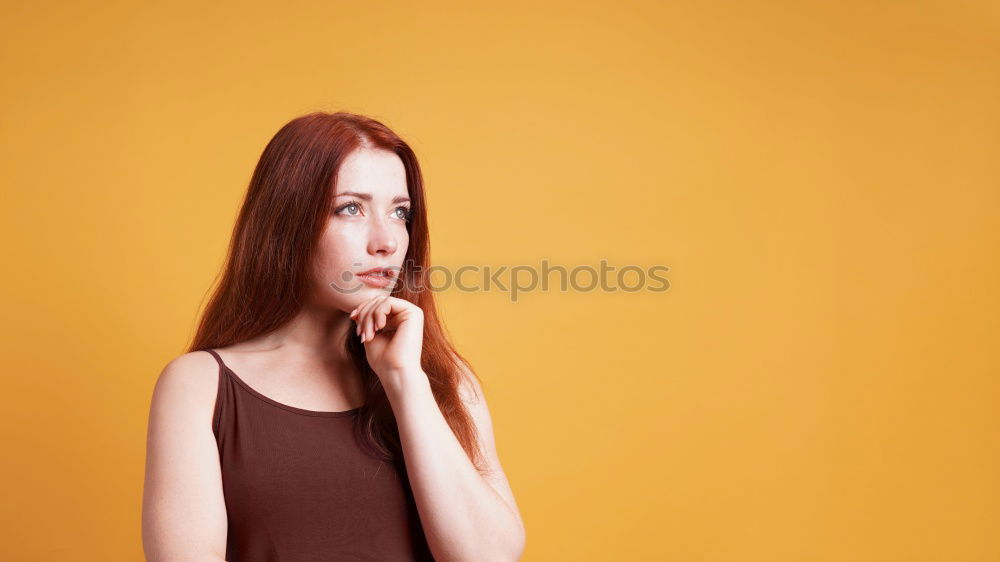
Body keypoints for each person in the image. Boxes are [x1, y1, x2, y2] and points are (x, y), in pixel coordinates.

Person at [141, 111, 526, 561]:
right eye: (350, 208)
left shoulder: (441, 380)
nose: (386, 241)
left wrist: (404, 383)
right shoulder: (200, 386)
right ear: (287, 221)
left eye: (400, 213)